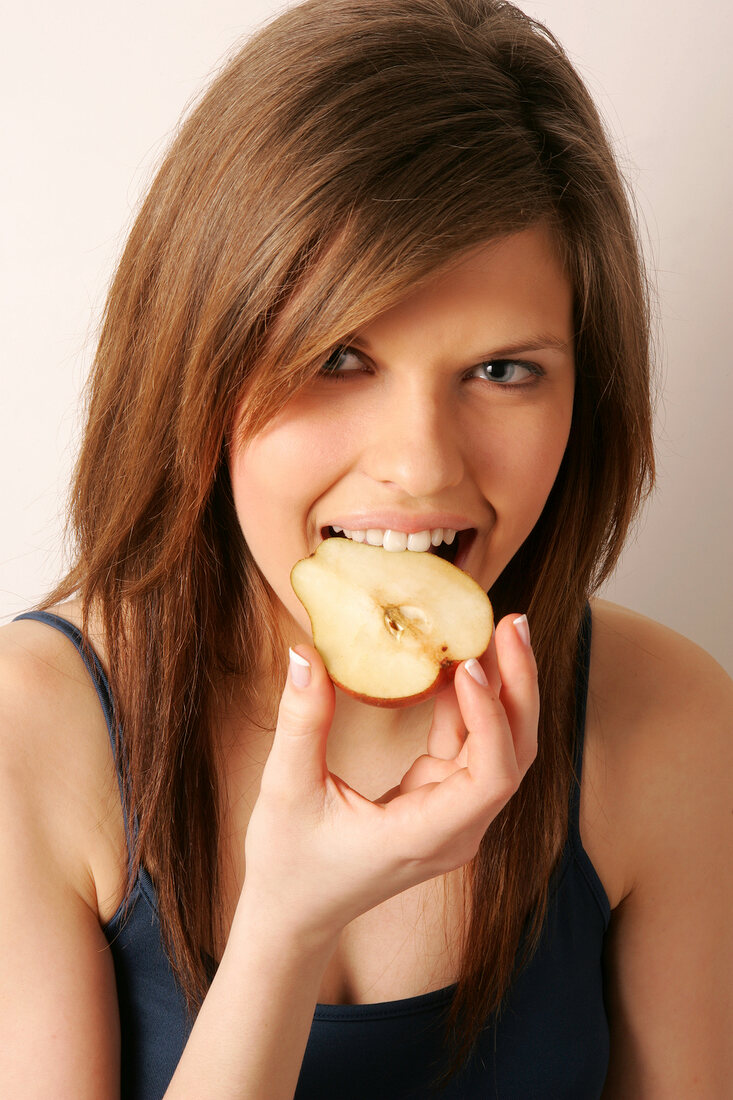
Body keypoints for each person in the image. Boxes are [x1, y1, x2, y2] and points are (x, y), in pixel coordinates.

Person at [1, 0, 730, 1096]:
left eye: (503, 370)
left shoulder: (666, 720)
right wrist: (285, 922)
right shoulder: (31, 735)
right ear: (198, 356)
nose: (421, 465)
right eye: (340, 356)